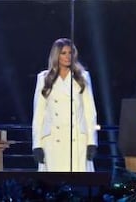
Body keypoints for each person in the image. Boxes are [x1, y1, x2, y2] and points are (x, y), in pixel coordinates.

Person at [31, 38, 98, 172]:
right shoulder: (44, 78)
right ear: (56, 55)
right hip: (52, 143)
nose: (68, 56)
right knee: (53, 185)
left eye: (70, 52)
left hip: (77, 141)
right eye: (63, 53)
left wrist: (92, 142)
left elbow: (90, 112)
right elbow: (38, 114)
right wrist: (36, 145)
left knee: (79, 183)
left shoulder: (82, 77)